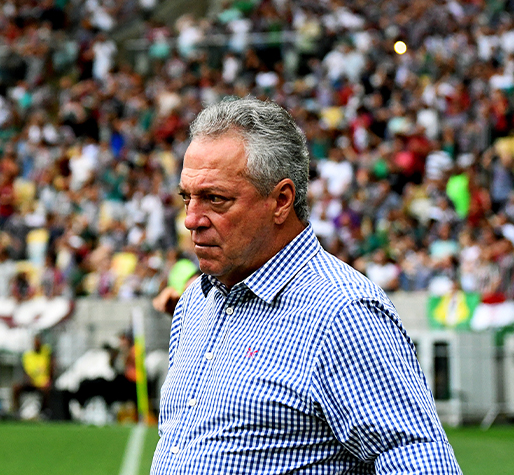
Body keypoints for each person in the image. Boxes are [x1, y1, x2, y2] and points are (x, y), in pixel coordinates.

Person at [151, 97, 461, 474]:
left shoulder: (343, 313)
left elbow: (419, 461)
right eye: (187, 198)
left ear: (281, 200)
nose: (191, 219)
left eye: (216, 199)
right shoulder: (196, 303)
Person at [12, 335, 53, 418]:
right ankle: (16, 411)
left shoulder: (46, 352)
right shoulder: (28, 355)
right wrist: (28, 379)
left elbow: (51, 367)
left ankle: (43, 412)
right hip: (31, 382)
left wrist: (49, 379)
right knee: (16, 388)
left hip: (42, 382)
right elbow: (26, 371)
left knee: (47, 390)